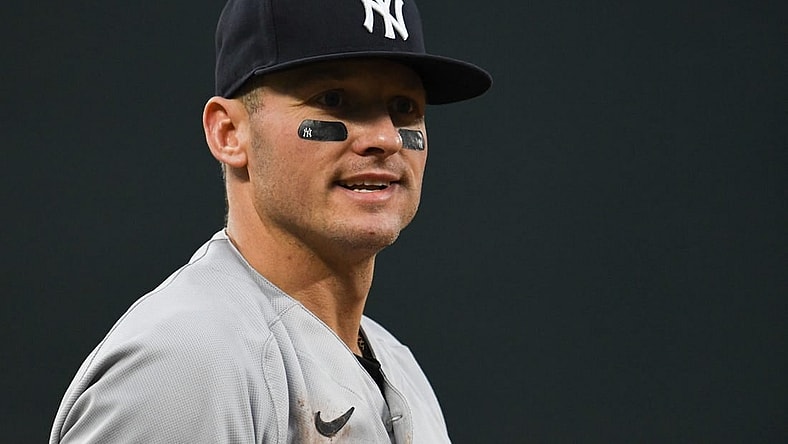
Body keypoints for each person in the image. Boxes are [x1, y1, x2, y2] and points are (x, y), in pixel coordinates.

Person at [49, 0, 491, 442]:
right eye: (333, 100)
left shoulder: (399, 366)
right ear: (229, 133)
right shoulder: (184, 365)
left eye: (404, 106)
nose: (385, 138)